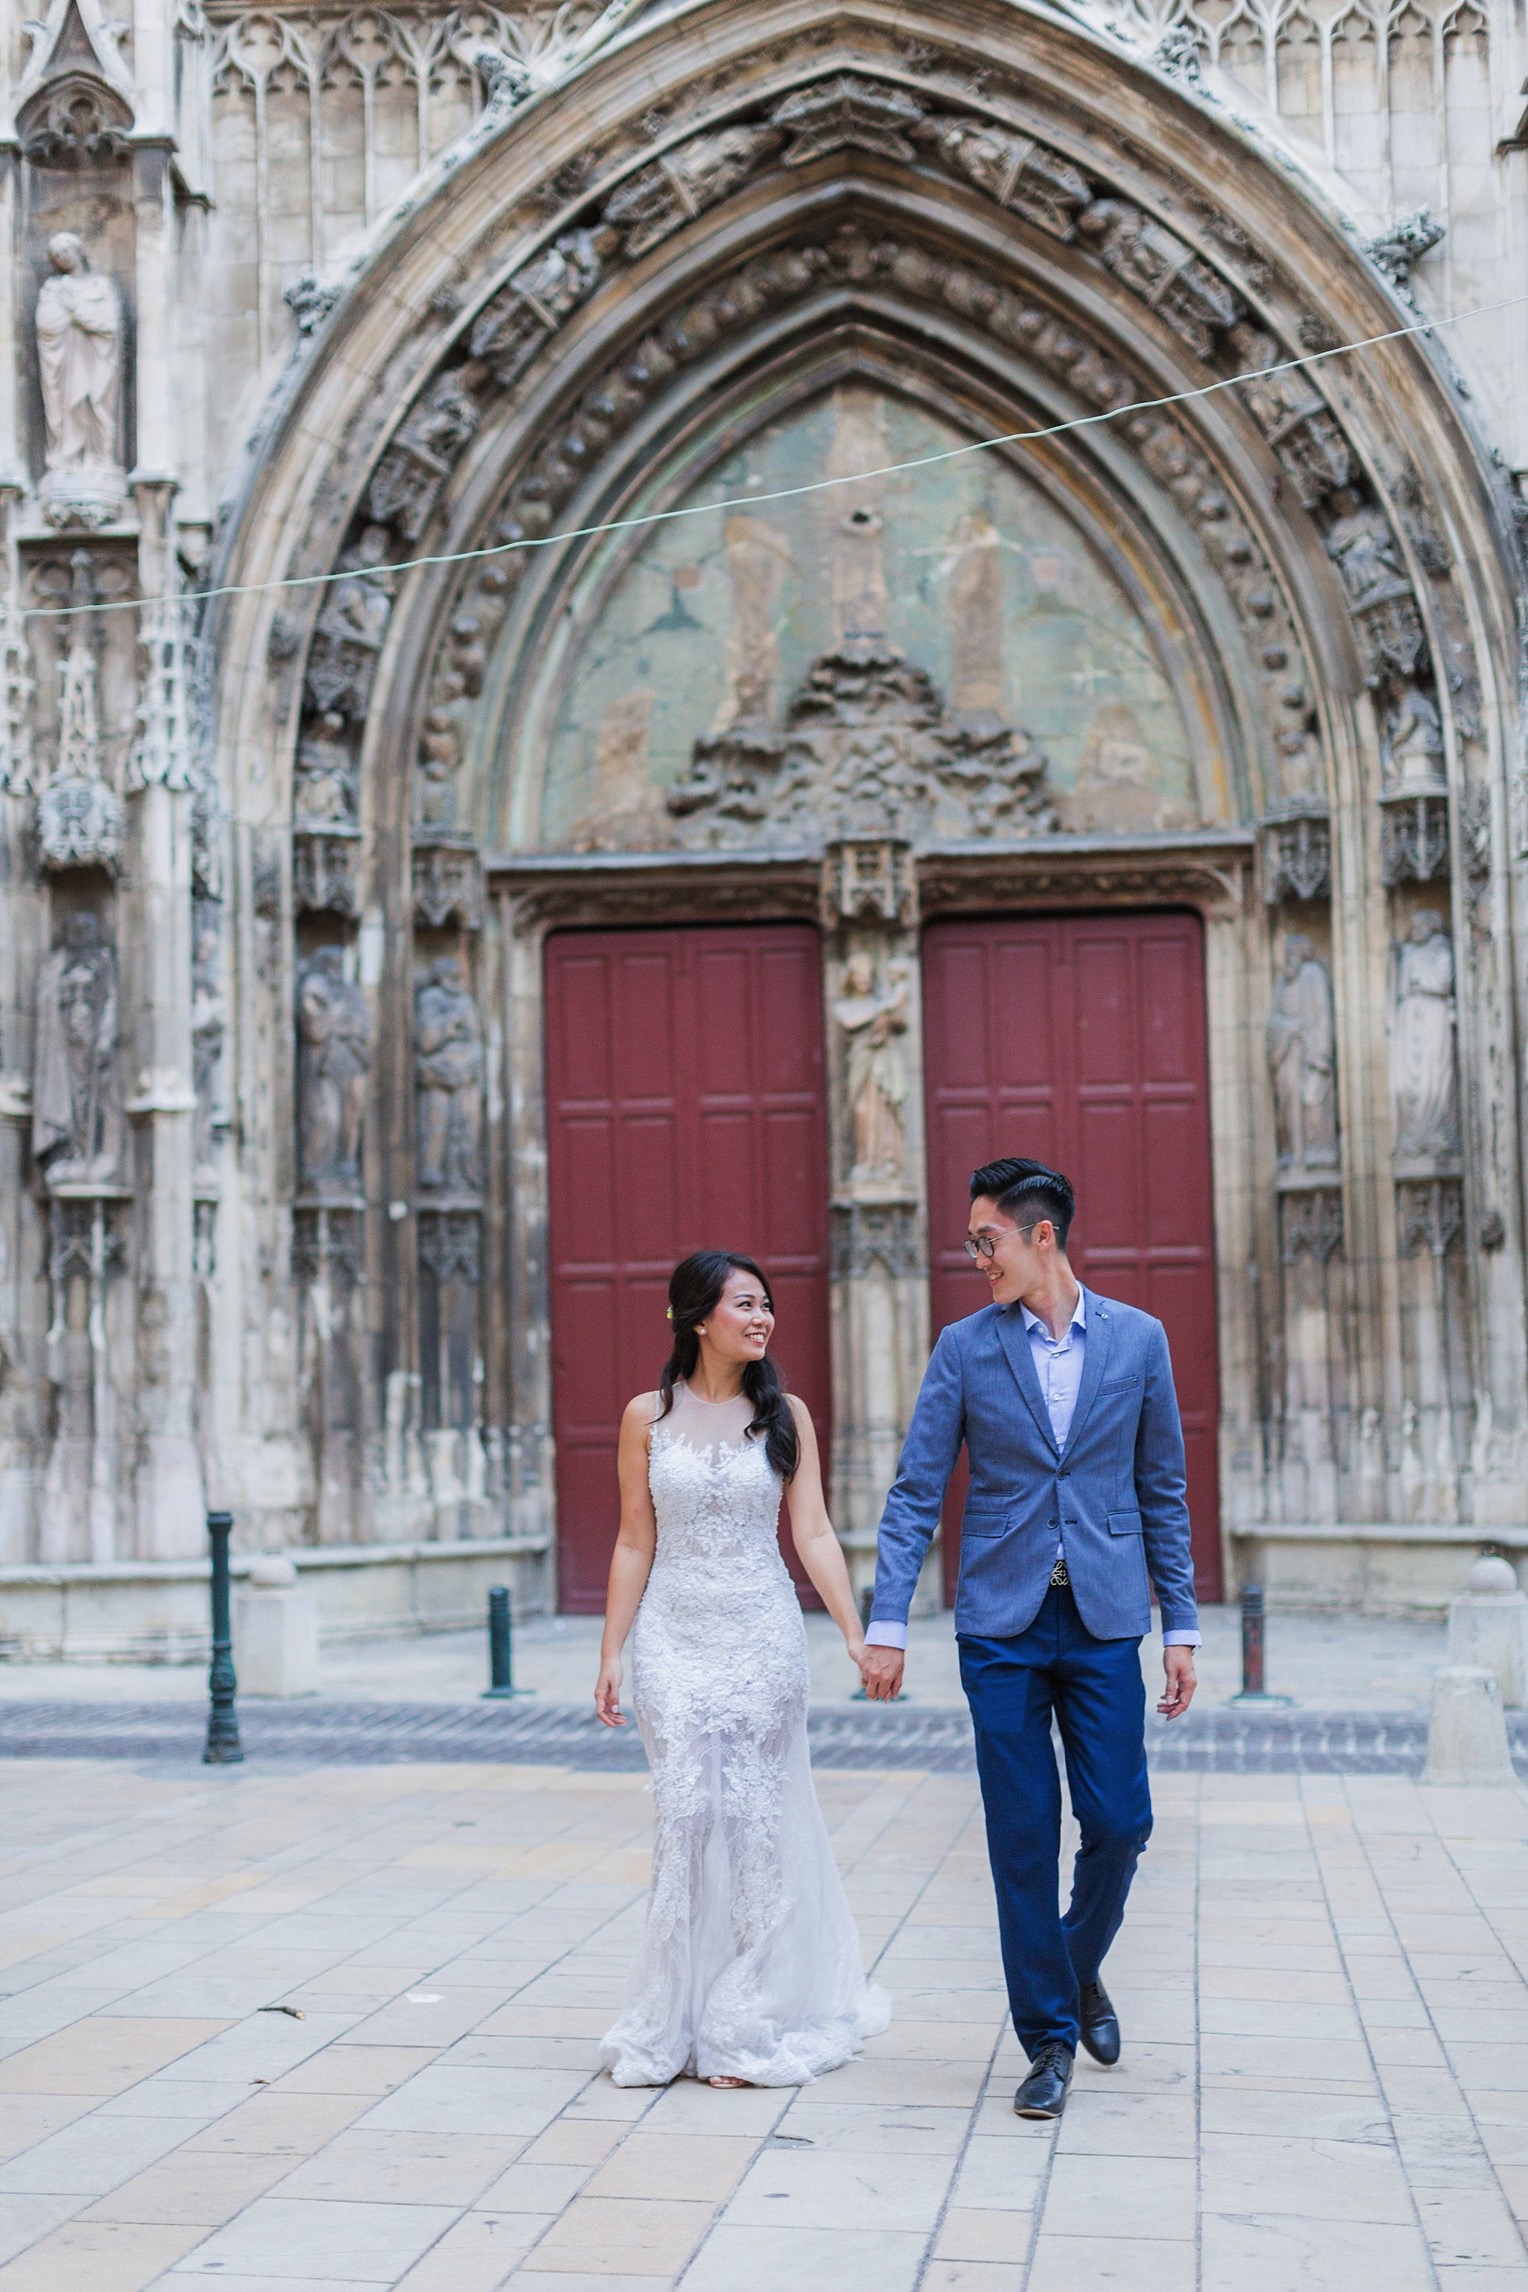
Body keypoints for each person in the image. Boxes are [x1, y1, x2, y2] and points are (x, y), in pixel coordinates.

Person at [860, 1157, 1199, 2120]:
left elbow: (1162, 1491)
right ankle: (1047, 2038)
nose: (975, 1259)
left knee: (1121, 1823)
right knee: (1020, 1835)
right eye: (973, 1243)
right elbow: (916, 1492)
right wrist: (889, 1623)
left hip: (1103, 1620)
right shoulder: (965, 1348)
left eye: (986, 1241)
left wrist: (1183, 1625)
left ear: (1040, 1235)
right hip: (1000, 1624)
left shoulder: (1139, 1340)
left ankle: (1074, 1963)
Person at [595, 1250, 890, 2088]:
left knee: (756, 1823)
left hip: (761, 1635)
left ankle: (740, 2017)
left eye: (767, 1305)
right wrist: (613, 1651)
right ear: (698, 1318)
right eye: (745, 1305)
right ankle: (668, 2019)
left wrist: (853, 1635)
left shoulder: (786, 1413)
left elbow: (815, 1533)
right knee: (687, 1816)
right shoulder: (644, 1418)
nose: (762, 1318)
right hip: (673, 1637)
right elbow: (631, 1539)